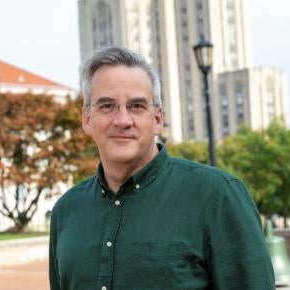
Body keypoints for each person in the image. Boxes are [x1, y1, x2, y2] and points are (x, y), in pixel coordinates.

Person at [49, 46, 274, 290]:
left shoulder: (217, 196)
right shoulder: (66, 210)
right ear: (86, 119)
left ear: (157, 119)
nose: (123, 120)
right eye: (106, 106)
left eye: (136, 106)